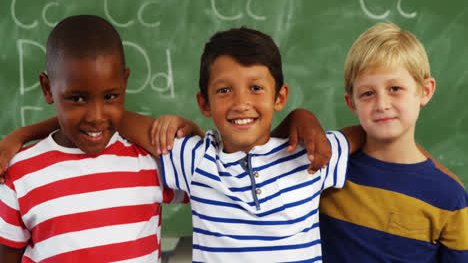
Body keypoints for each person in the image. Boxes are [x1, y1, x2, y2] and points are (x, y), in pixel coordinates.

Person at [151, 27, 364, 262]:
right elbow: (118, 119)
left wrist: (302, 116)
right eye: (224, 90)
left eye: (255, 88)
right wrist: (182, 124)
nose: (241, 103)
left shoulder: (312, 152)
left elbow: (365, 133)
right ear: (205, 103)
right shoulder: (198, 160)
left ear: (280, 98)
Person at [0, 15, 190, 263]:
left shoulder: (149, 162)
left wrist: (191, 128)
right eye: (77, 98)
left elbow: (211, 182)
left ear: (125, 82)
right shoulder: (21, 174)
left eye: (110, 96)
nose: (96, 117)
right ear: (47, 88)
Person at [319, 22, 468, 262]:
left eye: (395, 88)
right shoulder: (328, 172)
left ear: (425, 91)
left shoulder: (450, 197)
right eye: (368, 93)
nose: (382, 104)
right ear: (351, 103)